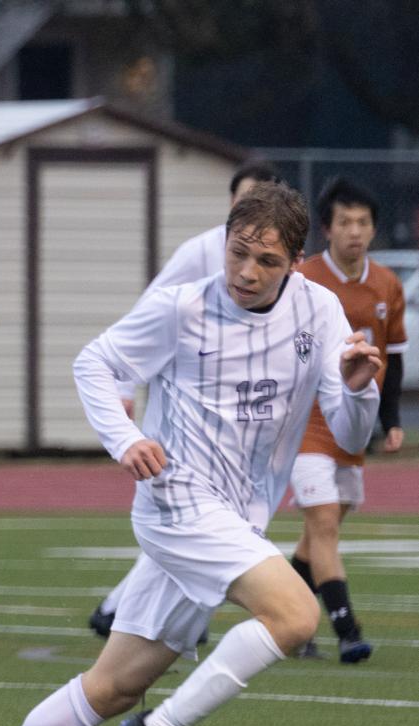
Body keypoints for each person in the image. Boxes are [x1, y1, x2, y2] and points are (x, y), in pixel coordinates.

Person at [0, 183, 381, 726]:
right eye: (237, 252)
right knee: (294, 616)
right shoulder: (183, 306)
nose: (245, 271)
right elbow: (95, 362)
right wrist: (123, 438)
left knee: (110, 686)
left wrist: (355, 386)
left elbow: (350, 429)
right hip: (176, 505)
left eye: (264, 260)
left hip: (233, 517)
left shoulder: (318, 312)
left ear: (294, 261)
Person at [88, 159, 283, 637]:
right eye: (241, 202)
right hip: (183, 414)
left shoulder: (282, 268)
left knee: (218, 521)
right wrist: (119, 392)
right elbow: (145, 315)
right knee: (188, 515)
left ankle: (123, 613)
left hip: (239, 421)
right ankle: (131, 616)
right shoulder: (202, 251)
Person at [286, 176, 405, 663]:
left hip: (352, 426)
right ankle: (347, 630)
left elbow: (391, 358)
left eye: (363, 222)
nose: (354, 231)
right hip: (306, 423)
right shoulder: (305, 279)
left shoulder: (386, 284)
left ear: (373, 230)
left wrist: (391, 420)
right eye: (344, 222)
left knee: (324, 526)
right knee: (325, 524)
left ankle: (284, 613)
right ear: (327, 230)